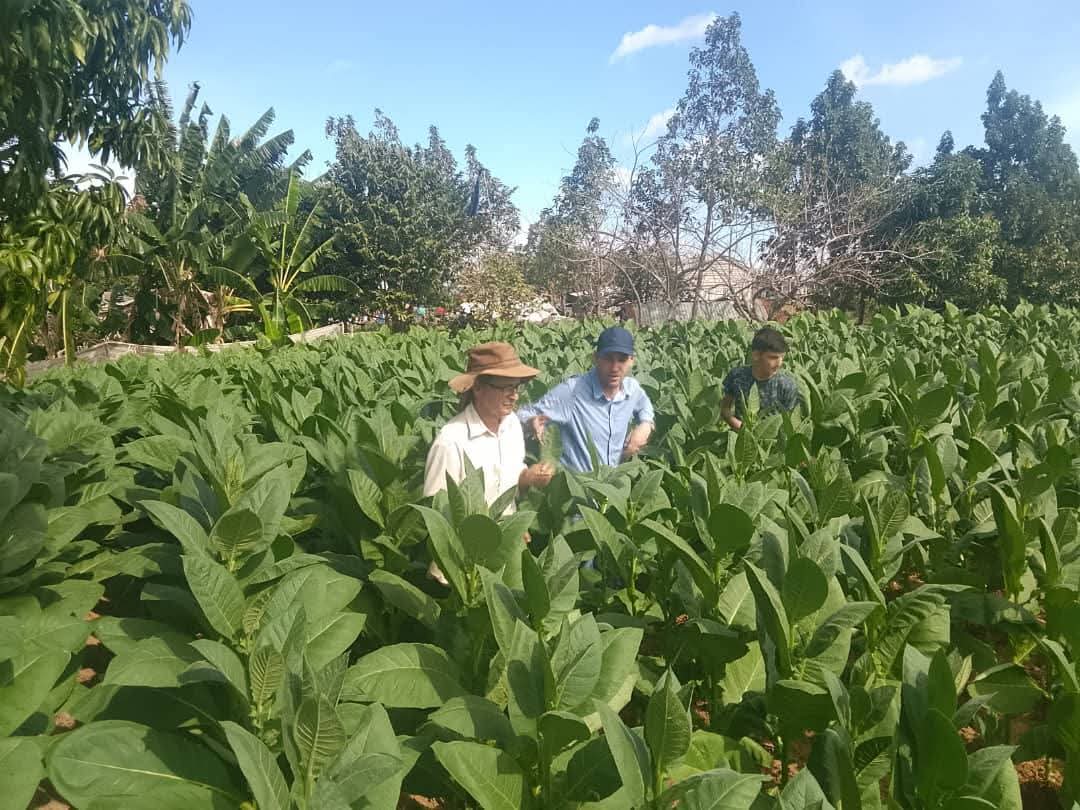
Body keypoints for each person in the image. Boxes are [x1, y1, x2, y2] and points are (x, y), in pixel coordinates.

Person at [423, 342, 554, 584]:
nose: (514, 395)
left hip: (504, 555)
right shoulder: (451, 441)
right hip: (459, 570)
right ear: (478, 388)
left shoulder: (511, 425)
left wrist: (529, 477)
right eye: (505, 388)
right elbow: (436, 518)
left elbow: (510, 484)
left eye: (516, 387)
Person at [518, 326, 655, 472]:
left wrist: (645, 425)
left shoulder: (632, 389)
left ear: (632, 360)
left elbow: (644, 406)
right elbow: (521, 415)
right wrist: (530, 422)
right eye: (608, 359)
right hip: (577, 483)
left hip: (611, 481)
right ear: (596, 358)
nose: (615, 367)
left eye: (622, 360)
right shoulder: (572, 392)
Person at [720, 326, 800, 431]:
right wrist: (743, 430)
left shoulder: (787, 385)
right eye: (773, 357)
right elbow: (725, 409)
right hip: (740, 436)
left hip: (774, 439)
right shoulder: (737, 376)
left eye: (782, 357)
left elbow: (790, 425)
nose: (779, 363)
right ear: (756, 355)